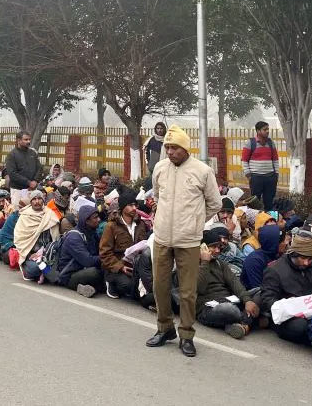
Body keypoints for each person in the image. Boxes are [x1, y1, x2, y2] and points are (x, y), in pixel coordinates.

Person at [145, 125, 222, 358]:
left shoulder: (202, 171)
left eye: (174, 147)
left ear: (185, 148)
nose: (169, 151)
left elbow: (215, 203)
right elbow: (157, 197)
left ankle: (186, 335)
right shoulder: (159, 168)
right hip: (162, 238)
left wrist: (195, 222)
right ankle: (164, 329)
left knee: (188, 292)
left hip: (188, 240)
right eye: (167, 147)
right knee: (160, 286)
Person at [259, 229, 312, 345]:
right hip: (290, 318)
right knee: (300, 327)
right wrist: (289, 304)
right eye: (302, 258)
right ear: (294, 254)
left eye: (310, 259)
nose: (307, 263)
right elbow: (267, 299)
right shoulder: (275, 270)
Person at [196, 230, 259, 339]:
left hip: (228, 300)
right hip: (207, 308)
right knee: (229, 310)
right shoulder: (192, 264)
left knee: (259, 293)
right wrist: (205, 262)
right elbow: (199, 288)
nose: (217, 250)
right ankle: (248, 322)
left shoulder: (221, 264)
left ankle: (235, 325)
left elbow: (235, 283)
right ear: (203, 247)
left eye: (219, 247)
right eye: (213, 247)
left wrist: (247, 300)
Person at [99, 190, 150, 300]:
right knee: (128, 286)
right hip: (117, 267)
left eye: (135, 205)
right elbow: (104, 253)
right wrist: (120, 267)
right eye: (130, 205)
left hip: (136, 266)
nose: (134, 208)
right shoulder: (111, 226)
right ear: (122, 207)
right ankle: (110, 282)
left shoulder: (140, 224)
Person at [13, 189, 61, 281]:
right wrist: (31, 254)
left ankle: (47, 273)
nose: (37, 202)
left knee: (59, 264)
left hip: (48, 253)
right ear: (31, 201)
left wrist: (47, 251)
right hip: (31, 255)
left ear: (43, 200)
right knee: (35, 268)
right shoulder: (24, 216)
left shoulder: (50, 214)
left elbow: (55, 238)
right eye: (34, 199)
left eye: (39, 199)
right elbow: (19, 239)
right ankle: (42, 273)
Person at [58, 204, 103, 297]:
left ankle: (89, 287)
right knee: (95, 272)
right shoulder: (74, 237)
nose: (99, 220)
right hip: (69, 275)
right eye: (95, 218)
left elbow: (99, 251)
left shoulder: (91, 232)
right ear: (86, 220)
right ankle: (79, 286)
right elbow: (88, 261)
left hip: (82, 269)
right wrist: (105, 258)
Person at [241, 121, 279, 209]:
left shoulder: (271, 143)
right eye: (265, 129)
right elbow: (244, 160)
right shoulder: (250, 143)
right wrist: (249, 175)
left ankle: (270, 221)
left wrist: (276, 174)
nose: (267, 131)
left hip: (270, 178)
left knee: (269, 202)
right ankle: (255, 221)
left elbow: (275, 160)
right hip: (256, 178)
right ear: (258, 131)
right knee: (255, 202)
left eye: (268, 129)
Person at [4, 131, 43, 209]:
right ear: (18, 140)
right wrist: (28, 182)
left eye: (29, 139)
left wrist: (35, 181)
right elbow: (12, 174)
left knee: (33, 211)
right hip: (17, 190)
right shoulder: (12, 155)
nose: (28, 141)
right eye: (26, 139)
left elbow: (40, 168)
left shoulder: (33, 153)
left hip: (32, 189)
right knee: (17, 212)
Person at [240, 224, 284, 289]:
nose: (286, 243)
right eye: (283, 241)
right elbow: (257, 288)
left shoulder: (278, 255)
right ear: (275, 243)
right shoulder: (254, 260)